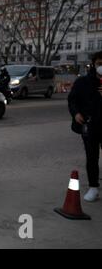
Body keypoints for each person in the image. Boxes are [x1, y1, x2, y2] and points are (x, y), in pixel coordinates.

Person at [68, 51, 102, 202]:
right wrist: (76, 114)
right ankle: (93, 187)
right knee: (92, 157)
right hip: (90, 126)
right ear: (94, 64)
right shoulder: (83, 82)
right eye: (100, 64)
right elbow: (72, 100)